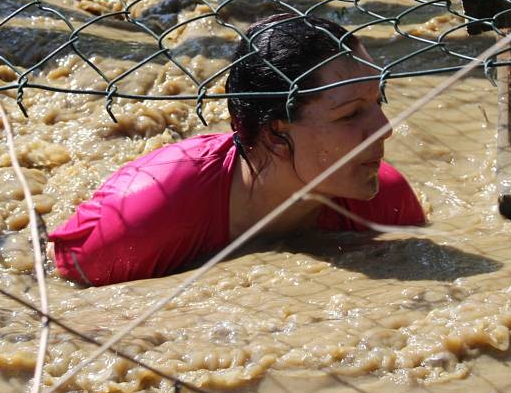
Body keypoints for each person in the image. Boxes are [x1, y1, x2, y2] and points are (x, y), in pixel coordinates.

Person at [48, 14, 425, 285]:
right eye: (350, 115)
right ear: (276, 133)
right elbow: (64, 285)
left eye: (379, 102)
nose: (385, 129)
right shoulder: (138, 223)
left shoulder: (385, 198)